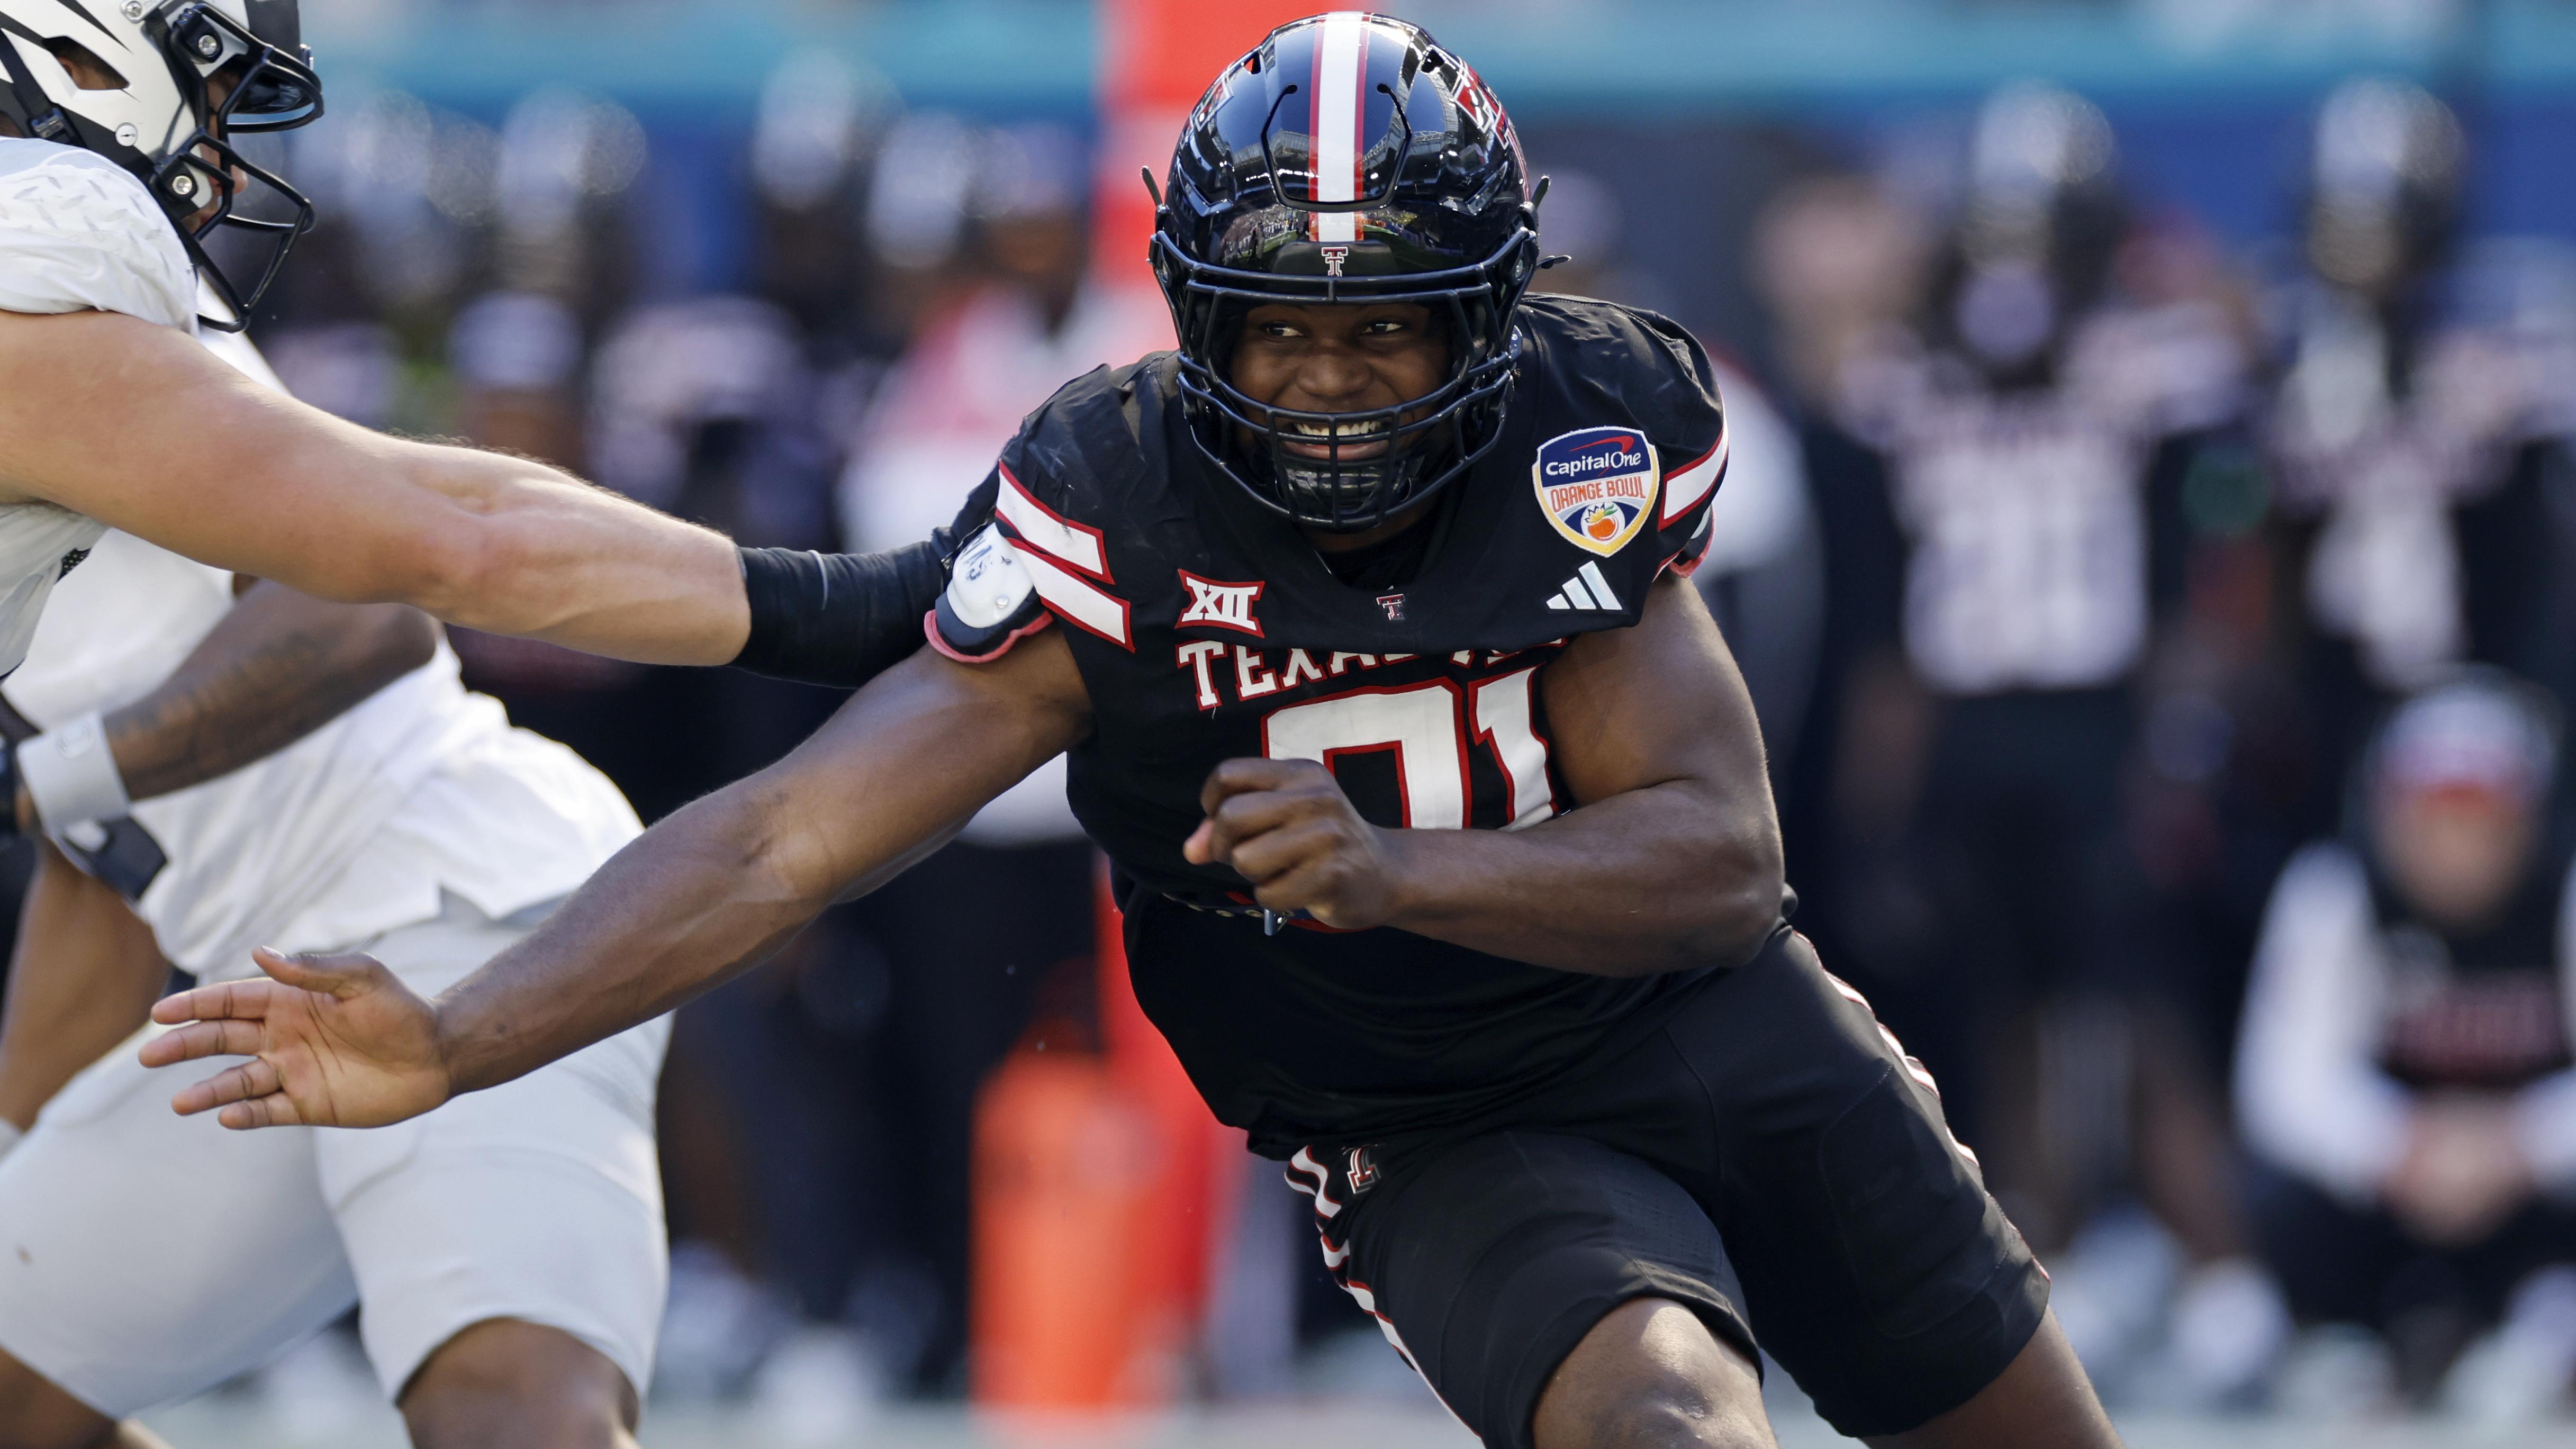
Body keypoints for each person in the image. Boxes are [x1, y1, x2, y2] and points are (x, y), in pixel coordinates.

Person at [149, 16, 2120, 1449]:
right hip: (1427, 1122)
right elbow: (779, 842)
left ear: (1485, 323)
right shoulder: (1120, 502)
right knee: (1664, 1433)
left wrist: (1391, 865)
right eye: (1280, 327)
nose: (1332, 381)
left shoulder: (1574, 439)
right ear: (1200, 318)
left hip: (1716, 1029)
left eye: (1385, 327)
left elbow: (1717, 858)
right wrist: (455, 1027)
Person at [0, 0, 942, 691]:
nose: (215, 156)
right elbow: (462, 540)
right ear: (83, 50)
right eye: (207, 98)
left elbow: (449, 503)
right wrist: (853, 603)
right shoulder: (54, 255)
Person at [0, 528, 663, 1449]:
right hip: (272, 992)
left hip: (446, 882)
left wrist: (40, 779)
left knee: (507, 1414)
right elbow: (90, 875)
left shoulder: (40, 382)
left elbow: (370, 603)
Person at [2236, 671, 2576, 1405]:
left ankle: (2543, 1330)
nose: (2455, 843)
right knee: (2278, 1195)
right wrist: (2399, 1146)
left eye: (2479, 816)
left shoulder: (2567, 894)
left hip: (2529, 1195)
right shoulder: (2335, 888)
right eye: (2434, 816)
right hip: (2395, 1193)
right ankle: (2340, 1336)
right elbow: (2281, 1085)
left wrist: (2517, 1145)